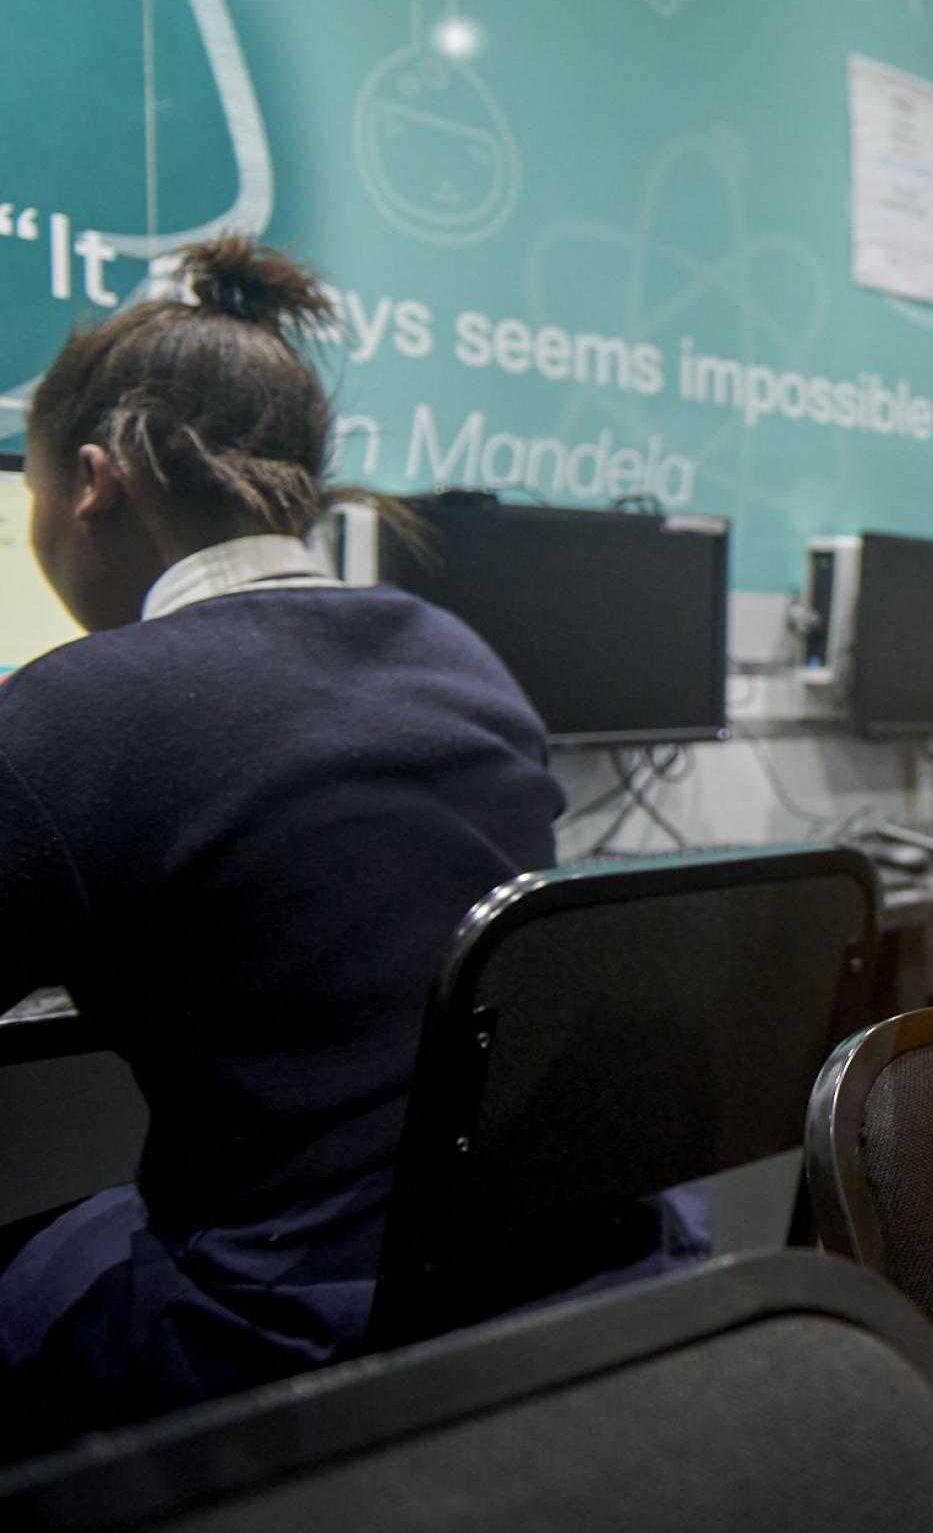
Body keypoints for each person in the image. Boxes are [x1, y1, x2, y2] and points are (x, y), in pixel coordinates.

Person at [0, 236, 570, 1451]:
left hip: (276, 1321)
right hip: (525, 1271)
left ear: (93, 481)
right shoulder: (453, 651)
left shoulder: (76, 710)